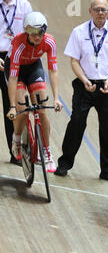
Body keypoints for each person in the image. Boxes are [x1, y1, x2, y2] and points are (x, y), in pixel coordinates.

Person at [54, 0, 108, 183]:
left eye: (104, 10)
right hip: (84, 85)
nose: (100, 13)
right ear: (90, 11)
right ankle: (64, 163)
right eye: (97, 9)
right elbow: (74, 60)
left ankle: (107, 169)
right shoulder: (79, 31)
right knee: (77, 122)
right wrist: (85, 80)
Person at [5, 11, 62, 172]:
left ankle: (46, 150)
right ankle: (16, 139)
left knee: (42, 109)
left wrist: (57, 98)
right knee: (22, 111)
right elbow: (13, 78)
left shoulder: (49, 42)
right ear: (26, 32)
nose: (37, 37)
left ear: (45, 31)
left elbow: (53, 71)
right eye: (33, 33)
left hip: (33, 68)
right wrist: (12, 107)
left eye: (40, 33)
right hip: (16, 70)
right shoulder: (18, 43)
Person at [0, 0, 32, 166]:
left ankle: (15, 152)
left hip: (13, 58)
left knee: (11, 107)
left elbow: (29, 36)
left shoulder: (24, 5)